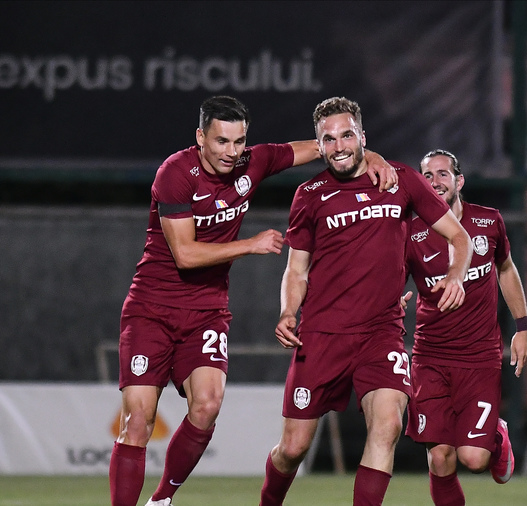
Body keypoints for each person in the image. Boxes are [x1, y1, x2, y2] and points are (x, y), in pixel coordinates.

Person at [110, 95, 397, 506]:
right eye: (221, 142)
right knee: (138, 421)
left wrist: (378, 159)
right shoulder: (175, 173)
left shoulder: (252, 162)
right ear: (200, 138)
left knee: (206, 407)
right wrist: (251, 245)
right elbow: (185, 255)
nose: (231, 152)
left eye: (239, 141)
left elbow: (332, 145)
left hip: (208, 308)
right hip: (151, 309)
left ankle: (162, 498)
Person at [259, 97, 473, 506]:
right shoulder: (309, 195)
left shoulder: (402, 181)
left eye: (346, 135)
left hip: (382, 334)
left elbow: (459, 237)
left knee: (388, 424)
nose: (339, 145)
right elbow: (296, 269)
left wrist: (455, 276)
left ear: (362, 137)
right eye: (328, 138)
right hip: (321, 335)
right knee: (293, 448)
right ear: (319, 146)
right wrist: (288, 311)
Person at [400, 149, 527, 505]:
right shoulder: (409, 231)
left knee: (473, 459)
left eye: (443, 174)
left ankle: (496, 436)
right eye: (426, 176)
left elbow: (506, 268)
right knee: (440, 457)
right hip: (430, 357)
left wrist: (523, 325)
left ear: (459, 181)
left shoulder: (488, 221)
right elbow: (392, 280)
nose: (435, 182)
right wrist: (393, 300)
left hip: (479, 357)